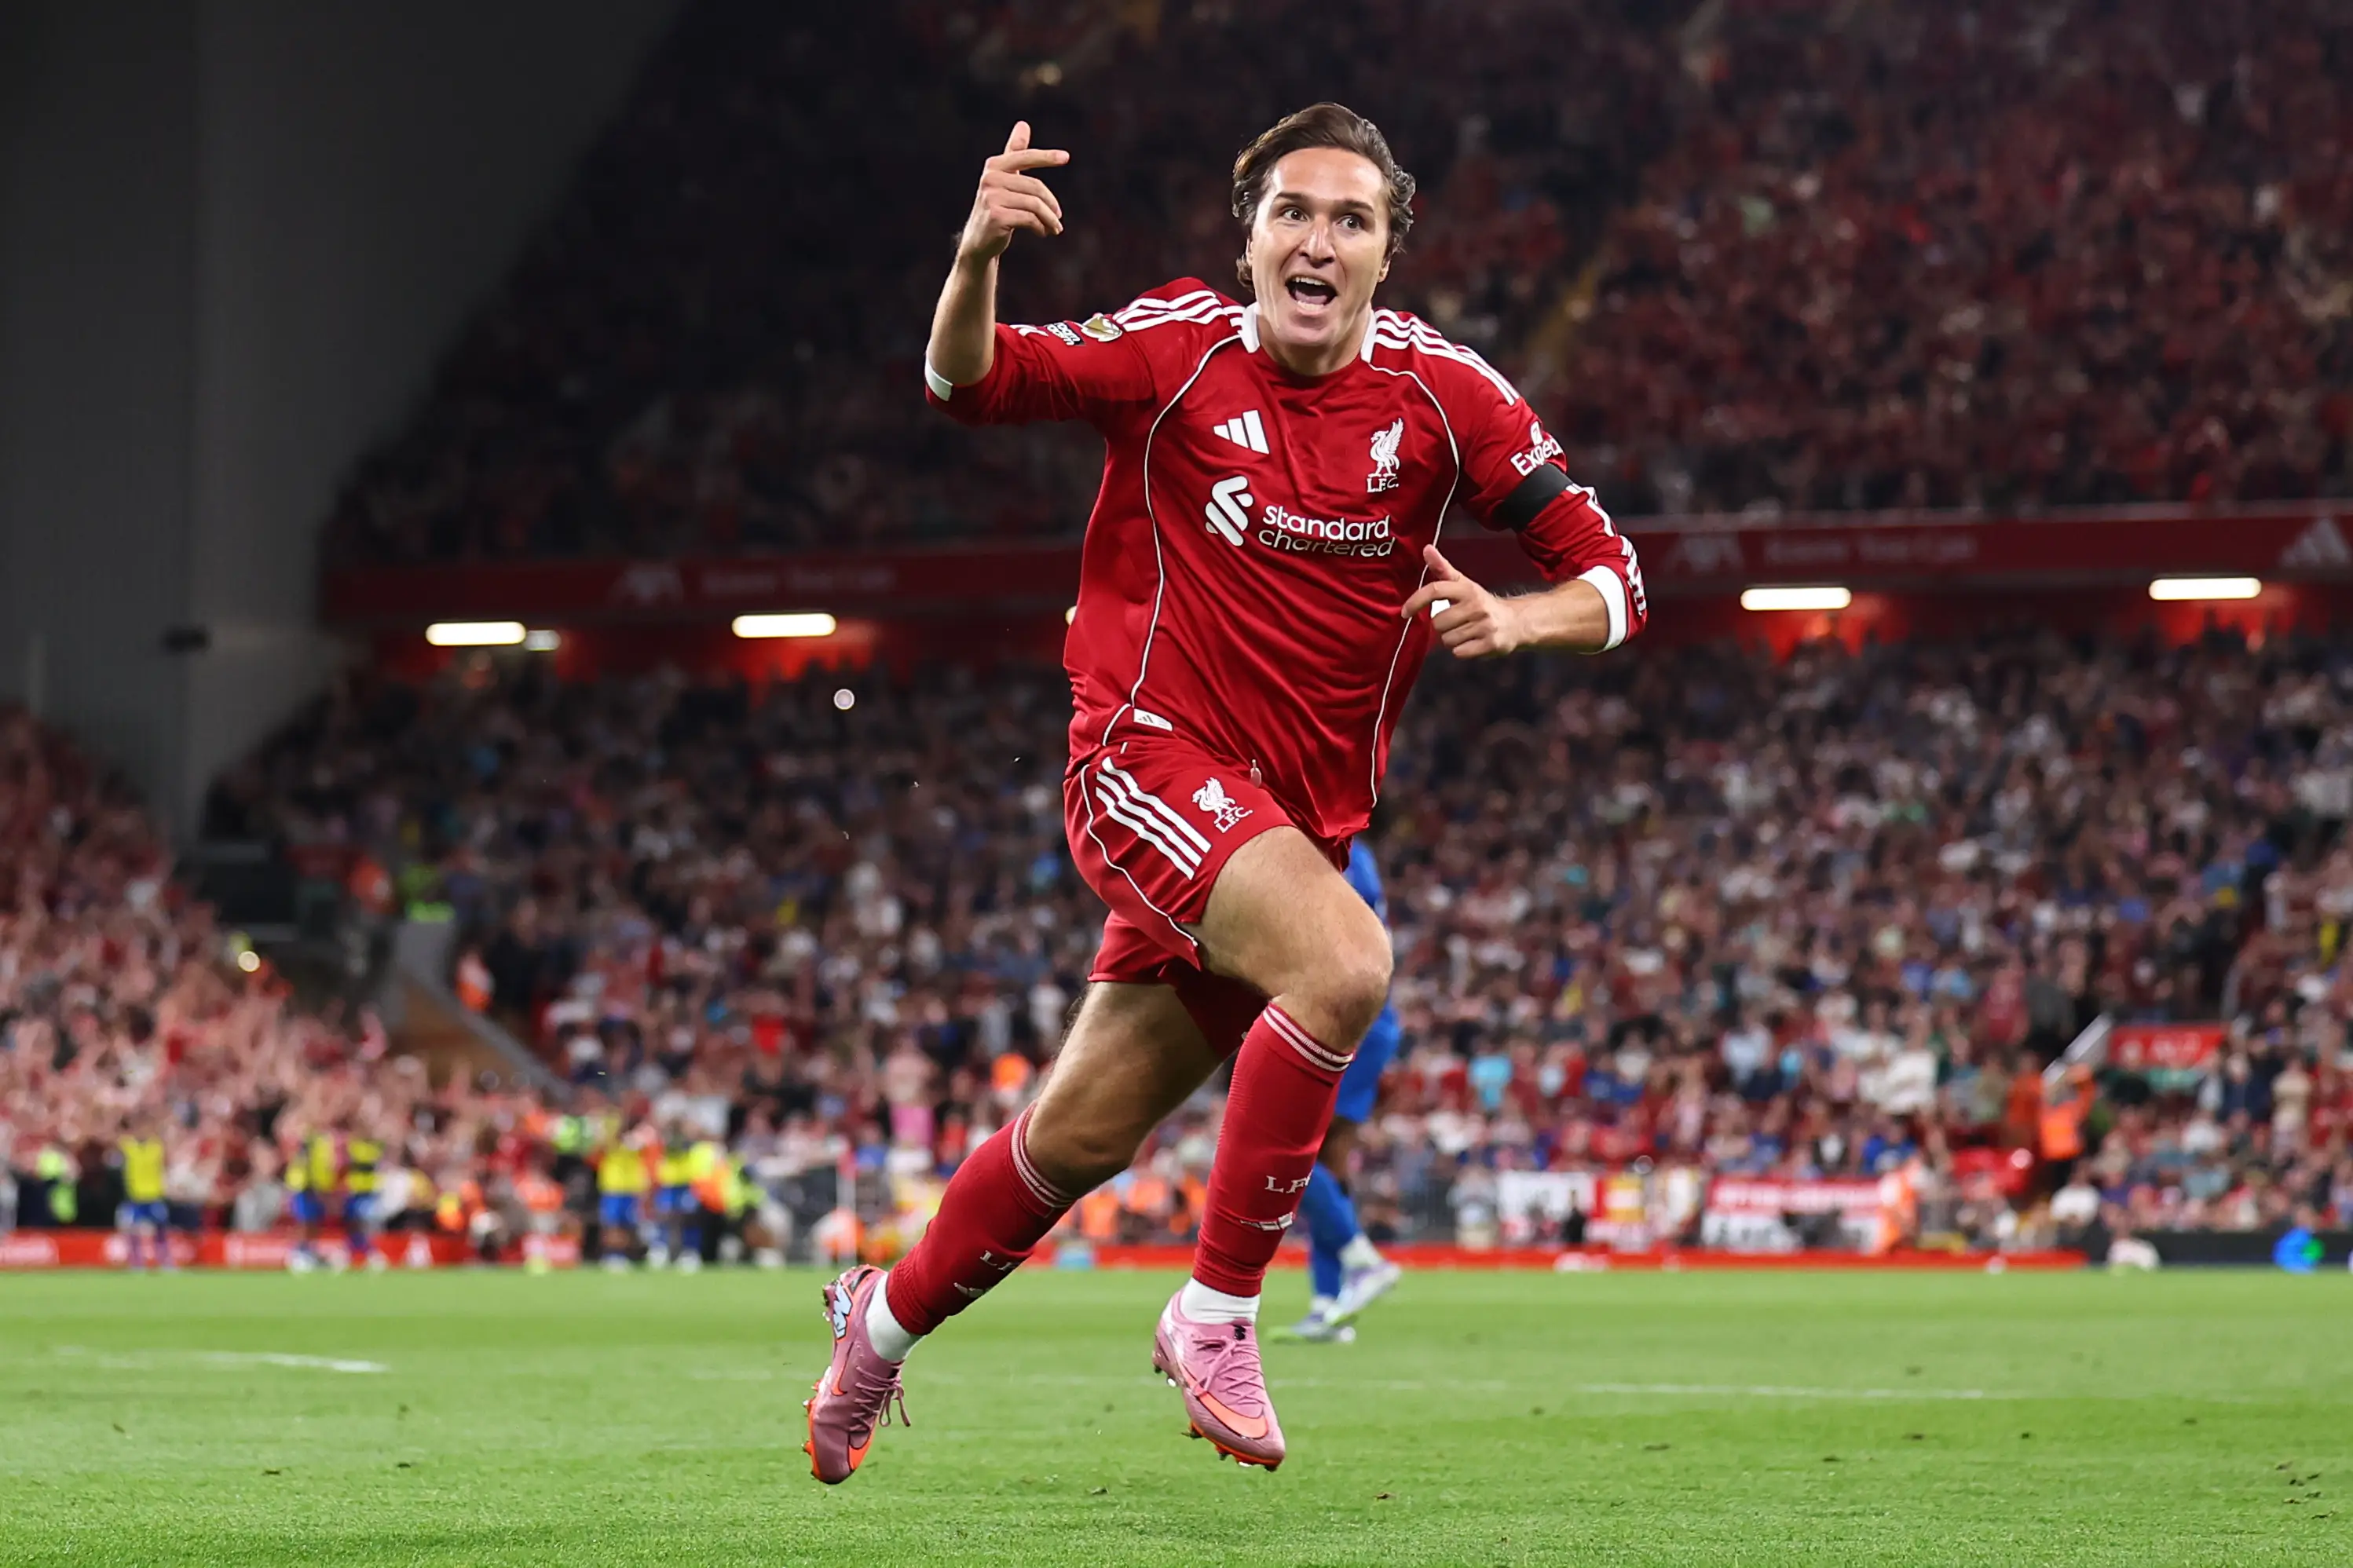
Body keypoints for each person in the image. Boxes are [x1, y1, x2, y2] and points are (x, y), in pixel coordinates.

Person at [805, 102, 1645, 1482]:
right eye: (1293, 214)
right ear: (1247, 236)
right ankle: (1217, 1313)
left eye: (1351, 220)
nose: (1318, 239)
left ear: (1389, 253)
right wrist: (972, 259)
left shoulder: (1450, 397)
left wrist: (1522, 621)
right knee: (1347, 962)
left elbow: (1615, 577)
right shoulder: (1173, 347)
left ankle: (877, 1329)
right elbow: (969, 383)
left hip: (1285, 826)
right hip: (1143, 757)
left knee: (1074, 1139)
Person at [1285, 842, 1403, 1341]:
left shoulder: (1342, 850)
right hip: (1360, 1020)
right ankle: (1327, 1306)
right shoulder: (1348, 849)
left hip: (1347, 1019)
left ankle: (1362, 1261)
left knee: (1289, 1154)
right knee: (1325, 1167)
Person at [595, 1118, 653, 1271]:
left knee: (629, 1225)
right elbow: (601, 1145)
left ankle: (630, 1255)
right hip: (613, 1189)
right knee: (612, 1224)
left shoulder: (635, 1140)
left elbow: (641, 1145)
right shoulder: (609, 1142)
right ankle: (613, 1255)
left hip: (630, 1189)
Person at [116, 1115, 171, 1271]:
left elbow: (166, 1163)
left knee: (160, 1230)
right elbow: (110, 1135)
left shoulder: (157, 1146)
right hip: (135, 1197)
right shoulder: (128, 1146)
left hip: (154, 1196)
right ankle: (137, 1263)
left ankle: (165, 1261)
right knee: (132, 1231)